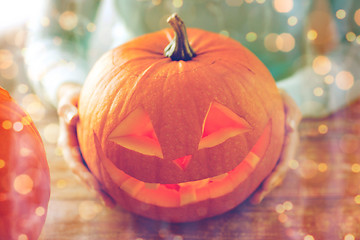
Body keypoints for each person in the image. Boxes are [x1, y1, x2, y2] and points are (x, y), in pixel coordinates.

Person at [24, 0, 359, 207]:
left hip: (281, 112)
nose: (183, 161)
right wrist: (73, 95)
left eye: (218, 130)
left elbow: (353, 50)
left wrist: (292, 99)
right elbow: (51, 37)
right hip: (128, 94)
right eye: (147, 139)